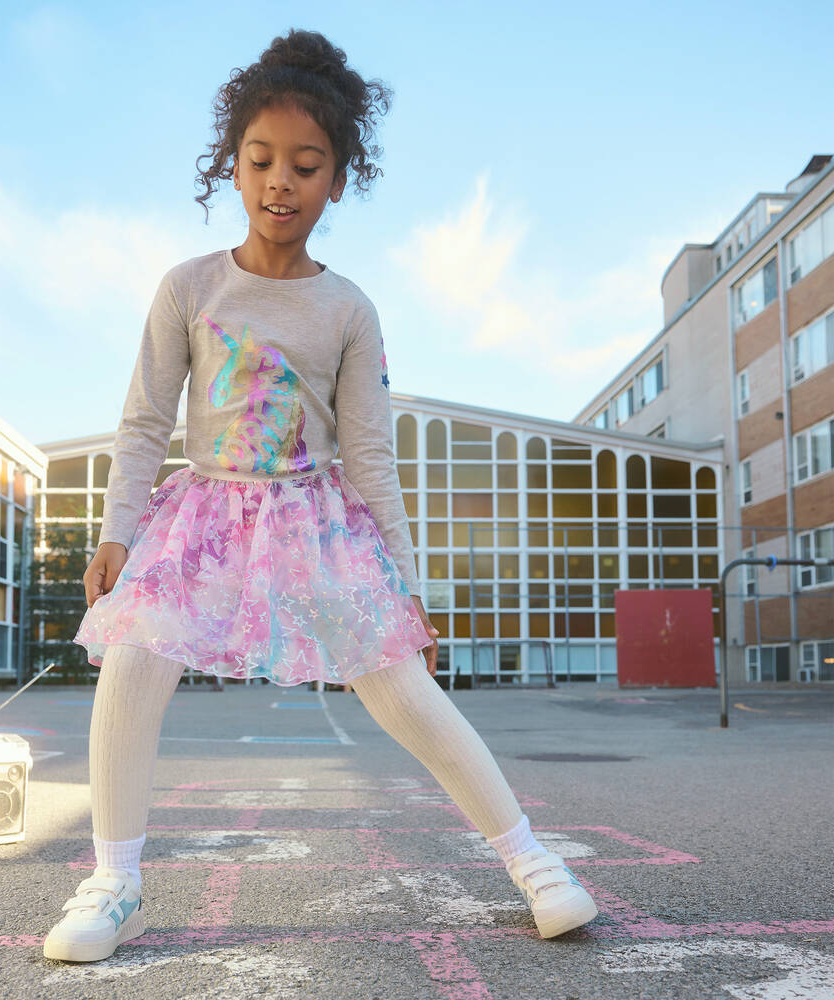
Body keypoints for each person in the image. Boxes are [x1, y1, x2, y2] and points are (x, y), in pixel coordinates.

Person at [43, 28, 599, 964]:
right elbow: (144, 422)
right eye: (261, 159)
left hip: (316, 515)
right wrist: (116, 533)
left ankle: (534, 862)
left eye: (307, 165)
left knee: (401, 687)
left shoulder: (348, 310)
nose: (280, 182)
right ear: (232, 163)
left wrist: (406, 581)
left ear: (338, 181)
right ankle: (114, 879)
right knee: (135, 655)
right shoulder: (187, 286)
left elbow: (372, 456)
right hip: (205, 515)